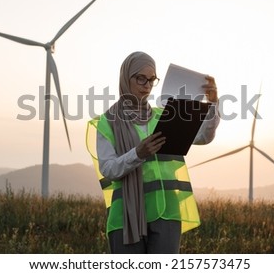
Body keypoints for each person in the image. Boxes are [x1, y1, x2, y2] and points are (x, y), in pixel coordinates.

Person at [86, 51, 220, 253]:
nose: (147, 85)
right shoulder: (107, 122)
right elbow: (108, 168)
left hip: (166, 212)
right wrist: (137, 153)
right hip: (126, 218)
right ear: (125, 78)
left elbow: (203, 137)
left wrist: (213, 104)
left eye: (151, 79)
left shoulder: (164, 115)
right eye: (141, 78)